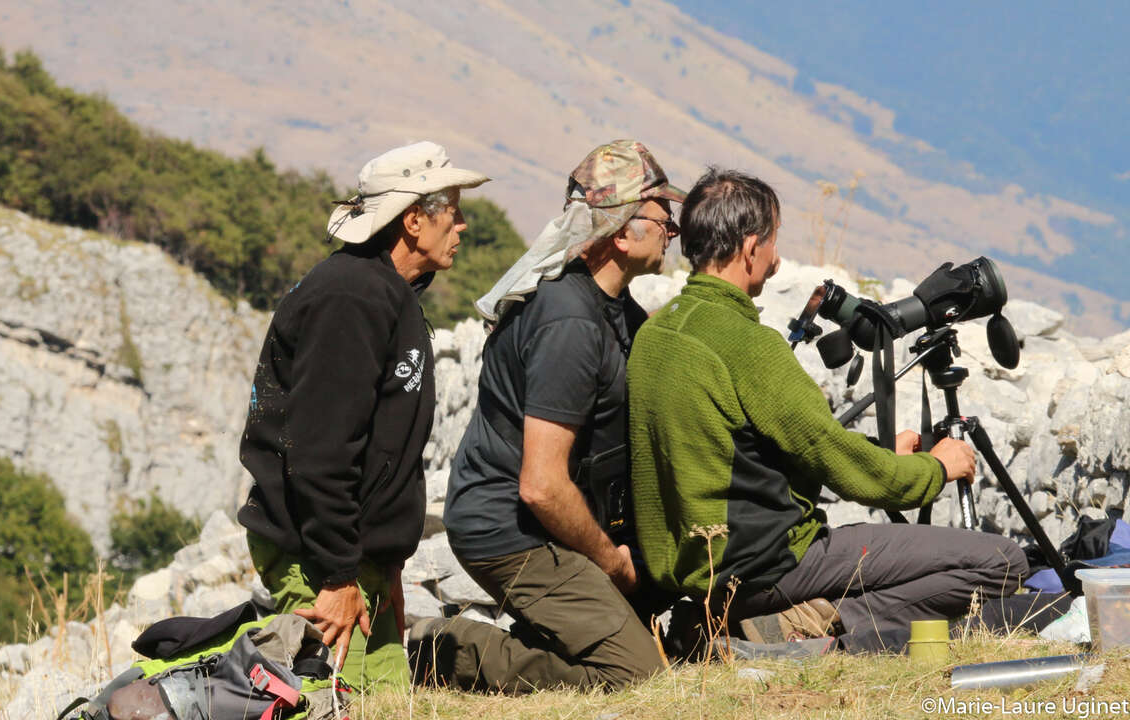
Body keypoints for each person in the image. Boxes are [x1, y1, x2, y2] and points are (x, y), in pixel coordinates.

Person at [627, 167, 1027, 645]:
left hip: (701, 572)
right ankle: (819, 620)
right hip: (769, 565)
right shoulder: (748, 345)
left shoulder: (655, 334)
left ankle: (746, 623)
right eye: (773, 241)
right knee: (1003, 561)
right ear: (752, 247)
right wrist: (935, 469)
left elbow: (763, 448)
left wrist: (882, 452)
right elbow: (844, 468)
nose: (775, 257)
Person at [418, 140, 685, 692]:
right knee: (638, 675)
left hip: (546, 522)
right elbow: (540, 486)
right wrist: (610, 563)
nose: (672, 231)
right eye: (663, 217)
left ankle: (556, 631)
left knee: (652, 638)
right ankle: (443, 652)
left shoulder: (614, 311)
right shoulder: (570, 324)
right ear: (620, 230)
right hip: (507, 529)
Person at [238, 141, 489, 690]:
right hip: (318, 557)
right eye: (453, 209)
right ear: (413, 221)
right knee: (335, 701)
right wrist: (339, 574)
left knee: (387, 701)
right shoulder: (349, 299)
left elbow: (385, 445)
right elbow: (321, 450)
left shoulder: (389, 294)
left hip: (356, 557)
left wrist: (386, 561)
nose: (464, 225)